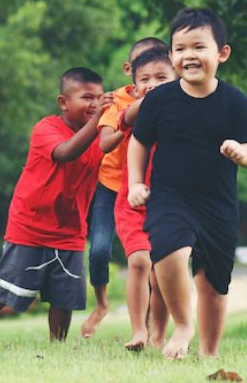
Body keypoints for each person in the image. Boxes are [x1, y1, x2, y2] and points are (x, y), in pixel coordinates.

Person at [127, 7, 247, 359]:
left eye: (198, 46)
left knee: (213, 284)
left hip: (217, 203)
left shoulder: (234, 101)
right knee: (169, 251)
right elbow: (138, 142)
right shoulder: (159, 100)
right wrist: (135, 183)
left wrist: (241, 153)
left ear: (221, 53)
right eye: (180, 48)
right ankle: (183, 325)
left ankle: (210, 352)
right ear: (172, 56)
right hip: (170, 196)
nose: (189, 55)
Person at [0, 67, 113, 341]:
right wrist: (97, 120)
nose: (94, 104)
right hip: (31, 221)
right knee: (17, 281)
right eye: (86, 97)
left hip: (71, 226)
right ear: (63, 103)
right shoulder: (46, 128)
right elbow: (66, 153)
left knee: (66, 292)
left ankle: (56, 343)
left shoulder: (101, 137)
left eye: (98, 98)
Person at [81, 37, 169, 338]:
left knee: (157, 265)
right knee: (104, 250)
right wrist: (130, 123)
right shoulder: (118, 102)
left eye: (160, 71)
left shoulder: (173, 99)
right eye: (144, 72)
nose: (152, 79)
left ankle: (151, 326)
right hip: (114, 186)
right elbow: (104, 142)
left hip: (157, 188)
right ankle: (105, 305)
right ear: (130, 71)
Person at [112, 48, 177, 351]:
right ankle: (138, 330)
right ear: (135, 87)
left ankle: (158, 333)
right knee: (139, 261)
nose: (152, 84)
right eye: (145, 80)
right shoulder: (134, 112)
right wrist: (150, 98)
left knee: (162, 270)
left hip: (169, 204)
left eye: (161, 78)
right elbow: (126, 117)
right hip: (133, 204)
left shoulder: (182, 114)